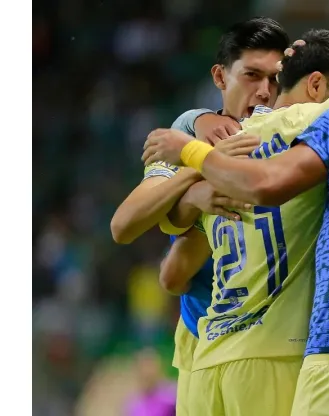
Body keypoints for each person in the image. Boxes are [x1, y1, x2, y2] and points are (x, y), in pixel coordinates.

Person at [155, 29, 329, 416]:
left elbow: (170, 270)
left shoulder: (222, 150)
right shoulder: (311, 121)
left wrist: (187, 139)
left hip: (207, 356)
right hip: (273, 351)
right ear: (317, 84)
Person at [109, 17, 289, 416]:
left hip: (272, 346)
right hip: (201, 339)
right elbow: (123, 225)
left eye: (275, 79)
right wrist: (199, 169)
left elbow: (173, 273)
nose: (264, 91)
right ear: (220, 77)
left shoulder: (292, 139)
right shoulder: (187, 135)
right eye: (252, 75)